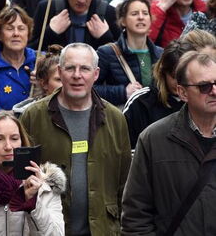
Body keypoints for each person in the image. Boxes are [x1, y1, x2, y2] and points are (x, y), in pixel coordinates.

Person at [20, 43, 131, 236]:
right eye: (70, 68)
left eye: (85, 69)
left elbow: (125, 184)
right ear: (61, 72)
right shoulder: (33, 117)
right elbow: (20, 179)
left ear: (96, 74)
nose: (77, 75)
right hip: (50, 230)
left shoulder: (115, 119)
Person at [121, 52, 216, 235]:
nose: (214, 91)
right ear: (182, 92)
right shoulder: (153, 139)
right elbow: (136, 216)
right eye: (204, 86)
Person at [122, 35, 202, 148]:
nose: (180, 84)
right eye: (175, 77)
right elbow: (126, 149)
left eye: (186, 77)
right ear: (163, 73)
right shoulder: (140, 102)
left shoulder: (205, 98)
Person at [96, 0, 163, 107]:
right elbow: (90, 88)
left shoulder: (161, 54)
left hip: (154, 120)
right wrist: (122, 92)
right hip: (121, 119)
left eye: (145, 13)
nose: (141, 17)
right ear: (123, 21)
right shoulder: (107, 53)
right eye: (134, 13)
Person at [30, 0, 119, 50]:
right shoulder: (47, 8)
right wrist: (51, 32)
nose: (81, 0)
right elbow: (30, 49)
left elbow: (121, 56)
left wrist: (105, 37)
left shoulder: (108, 11)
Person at [12, 45, 63, 116]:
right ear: (44, 83)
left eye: (68, 78)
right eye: (59, 80)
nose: (66, 84)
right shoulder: (27, 115)